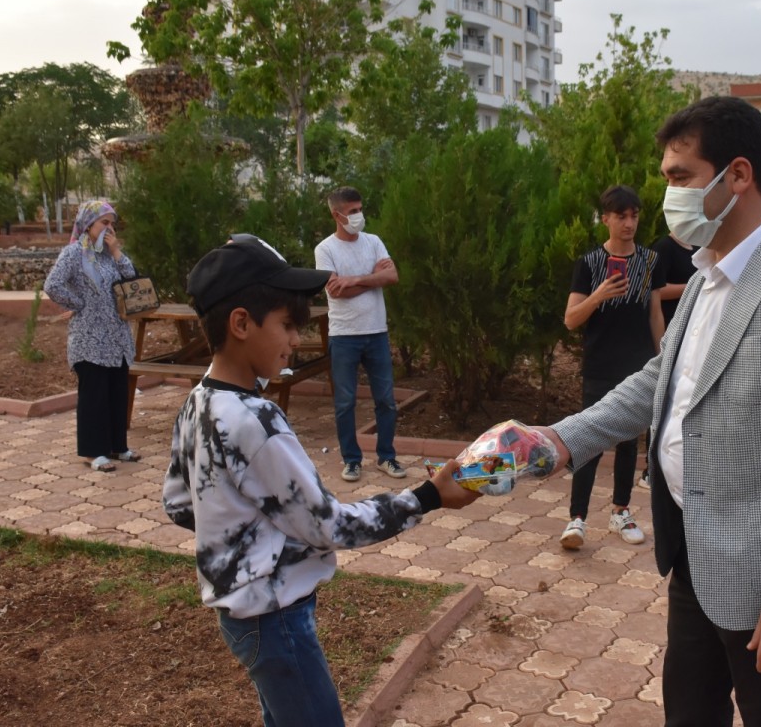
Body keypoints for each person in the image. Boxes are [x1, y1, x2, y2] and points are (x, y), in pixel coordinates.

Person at [535, 96, 761, 727]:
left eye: (680, 177)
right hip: (695, 555)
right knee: (689, 715)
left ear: (739, 176)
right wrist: (559, 439)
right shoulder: (703, 278)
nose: (667, 195)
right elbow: (659, 384)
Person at [162, 237, 479, 727]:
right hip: (276, 620)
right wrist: (428, 496)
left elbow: (181, 503)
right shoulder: (255, 422)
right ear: (241, 323)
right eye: (288, 326)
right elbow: (331, 526)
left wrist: (245, 533)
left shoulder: (199, 403)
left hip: (243, 618)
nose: (295, 341)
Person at [560, 185, 666, 548]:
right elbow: (571, 319)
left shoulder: (650, 262)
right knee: (588, 438)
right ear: (605, 219)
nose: (629, 223)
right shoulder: (588, 263)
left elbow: (654, 312)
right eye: (621, 216)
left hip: (637, 365)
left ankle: (621, 510)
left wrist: (663, 357)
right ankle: (577, 519)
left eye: (634, 215)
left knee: (627, 443)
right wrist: (599, 294)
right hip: (600, 364)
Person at [43, 200, 141, 473]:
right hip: (89, 339)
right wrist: (79, 304)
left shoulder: (109, 254)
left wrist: (117, 251)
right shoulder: (74, 253)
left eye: (112, 223)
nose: (109, 228)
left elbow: (132, 280)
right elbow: (52, 285)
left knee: (116, 392)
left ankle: (117, 447)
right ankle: (93, 452)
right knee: (94, 396)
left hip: (116, 337)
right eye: (104, 223)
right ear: (88, 225)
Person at [314, 186, 402, 483]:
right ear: (335, 215)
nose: (358, 216)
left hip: (377, 332)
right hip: (344, 336)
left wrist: (356, 279)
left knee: (386, 400)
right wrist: (374, 279)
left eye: (360, 209)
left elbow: (392, 276)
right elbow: (336, 293)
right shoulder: (325, 250)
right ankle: (352, 460)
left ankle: (386, 457)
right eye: (352, 212)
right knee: (345, 402)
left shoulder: (374, 241)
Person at [642, 231, 697, 488]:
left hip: (694, 333)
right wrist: (695, 285)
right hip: (670, 331)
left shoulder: (699, 247)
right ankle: (650, 468)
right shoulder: (662, 248)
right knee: (660, 401)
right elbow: (656, 291)